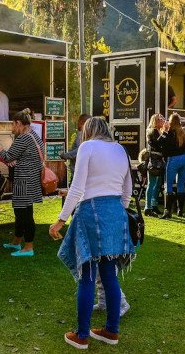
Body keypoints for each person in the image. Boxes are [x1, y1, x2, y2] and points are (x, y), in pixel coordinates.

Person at [49, 117, 135, 349]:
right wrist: (117, 211)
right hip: (116, 213)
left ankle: (81, 335)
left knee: (87, 276)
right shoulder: (120, 149)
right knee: (109, 275)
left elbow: (77, 188)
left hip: (92, 211)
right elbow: (127, 190)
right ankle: (111, 332)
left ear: (88, 131)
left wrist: (60, 220)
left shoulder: (87, 147)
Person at [0, 110, 44, 257]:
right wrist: (18, 160)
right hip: (31, 179)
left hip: (24, 181)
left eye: (13, 124)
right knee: (21, 212)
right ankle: (16, 241)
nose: (12, 128)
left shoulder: (23, 138)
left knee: (25, 214)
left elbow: (7, 156)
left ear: (18, 123)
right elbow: (31, 156)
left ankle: (28, 247)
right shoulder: (34, 136)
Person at [159, 113, 185, 218]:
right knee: (181, 184)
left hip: (173, 159)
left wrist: (165, 131)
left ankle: (167, 210)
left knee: (168, 184)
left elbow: (160, 143)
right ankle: (180, 210)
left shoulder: (169, 133)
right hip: (184, 158)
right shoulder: (184, 132)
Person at [143, 114, 166, 217]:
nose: (163, 120)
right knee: (152, 184)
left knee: (157, 184)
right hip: (154, 160)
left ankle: (153, 205)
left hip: (158, 160)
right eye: (160, 119)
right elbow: (158, 144)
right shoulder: (153, 131)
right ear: (155, 121)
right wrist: (165, 132)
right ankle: (148, 207)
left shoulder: (158, 131)